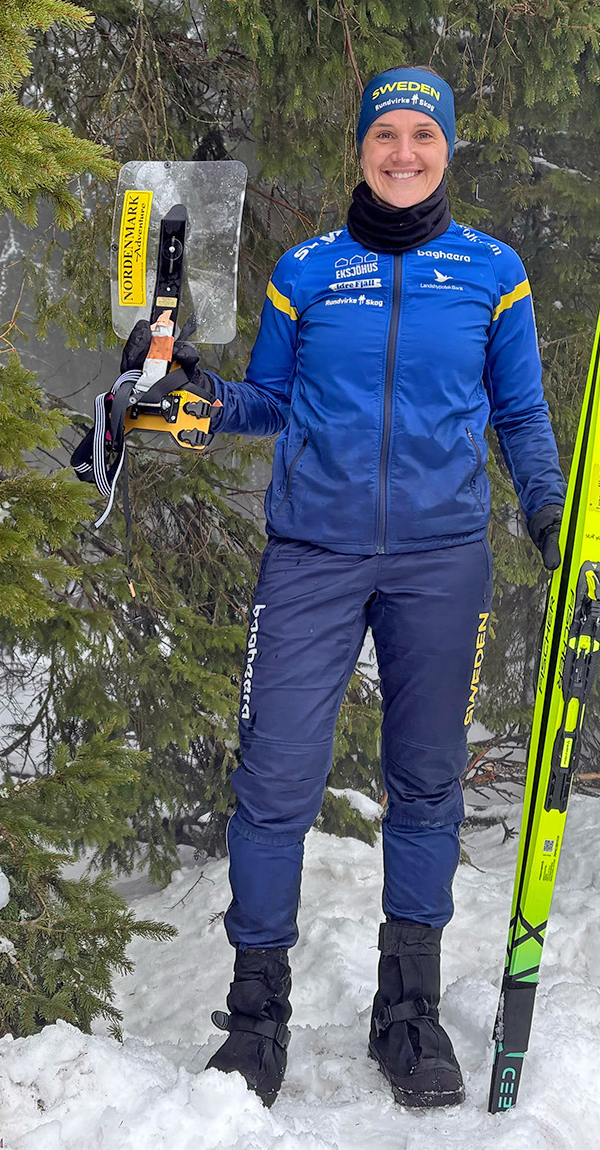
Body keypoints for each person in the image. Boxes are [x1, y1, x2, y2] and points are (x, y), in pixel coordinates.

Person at [119, 69, 565, 1108]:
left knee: (427, 781)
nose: (402, 152)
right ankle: (256, 1016)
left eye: (422, 135)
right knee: (274, 781)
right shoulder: (307, 271)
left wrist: (553, 517)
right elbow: (265, 401)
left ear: (446, 149)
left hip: (442, 558)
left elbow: (523, 418)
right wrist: (181, 391)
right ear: (360, 146)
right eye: (385, 134)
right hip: (311, 556)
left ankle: (407, 1013)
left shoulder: (493, 273)